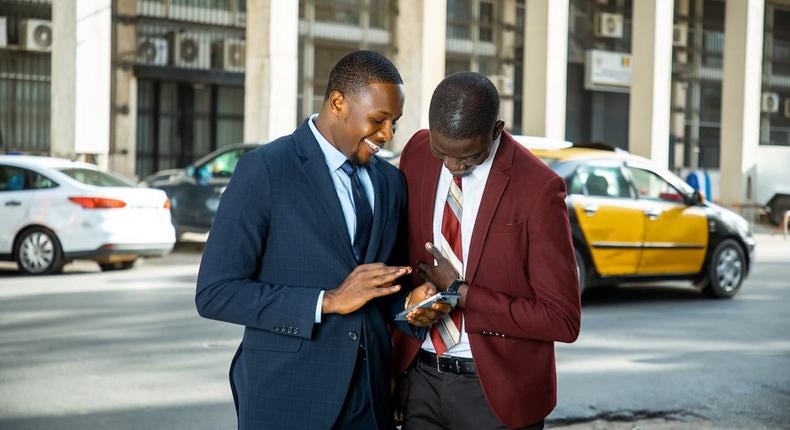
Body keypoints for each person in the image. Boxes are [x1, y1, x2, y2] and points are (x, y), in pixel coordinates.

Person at [196, 50, 413, 430]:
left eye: (394, 123)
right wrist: (327, 301)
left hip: (371, 399)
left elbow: (380, 286)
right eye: (378, 120)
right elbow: (216, 292)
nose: (387, 135)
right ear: (338, 102)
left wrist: (412, 303)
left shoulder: (389, 182)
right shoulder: (265, 170)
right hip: (289, 394)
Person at [392, 72, 582, 430]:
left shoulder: (538, 189)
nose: (452, 166)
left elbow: (562, 319)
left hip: (496, 395)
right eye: (442, 152)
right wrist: (398, 368)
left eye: (467, 157)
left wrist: (461, 293)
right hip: (421, 380)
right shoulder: (417, 153)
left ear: (496, 130)